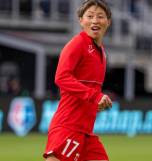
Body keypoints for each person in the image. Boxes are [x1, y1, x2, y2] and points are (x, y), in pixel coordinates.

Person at [43, 0, 112, 161]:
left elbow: (87, 88)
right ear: (81, 20)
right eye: (90, 16)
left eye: (100, 16)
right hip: (68, 126)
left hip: (86, 132)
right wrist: (94, 97)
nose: (95, 20)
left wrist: (97, 102)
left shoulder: (101, 52)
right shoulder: (77, 44)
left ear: (108, 22)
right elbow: (61, 77)